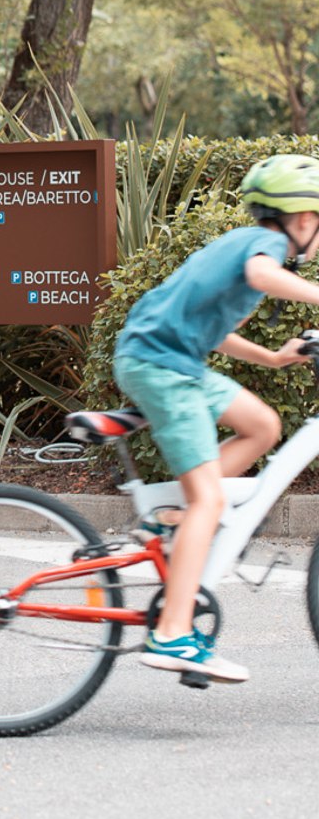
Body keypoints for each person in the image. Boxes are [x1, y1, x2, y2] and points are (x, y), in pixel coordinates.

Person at [112, 153, 319, 684]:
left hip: (171, 361)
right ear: (301, 220)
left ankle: (172, 518)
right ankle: (173, 635)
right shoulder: (264, 248)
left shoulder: (243, 252)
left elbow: (215, 331)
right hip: (163, 367)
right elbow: (260, 272)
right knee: (210, 497)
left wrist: (273, 358)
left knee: (263, 425)